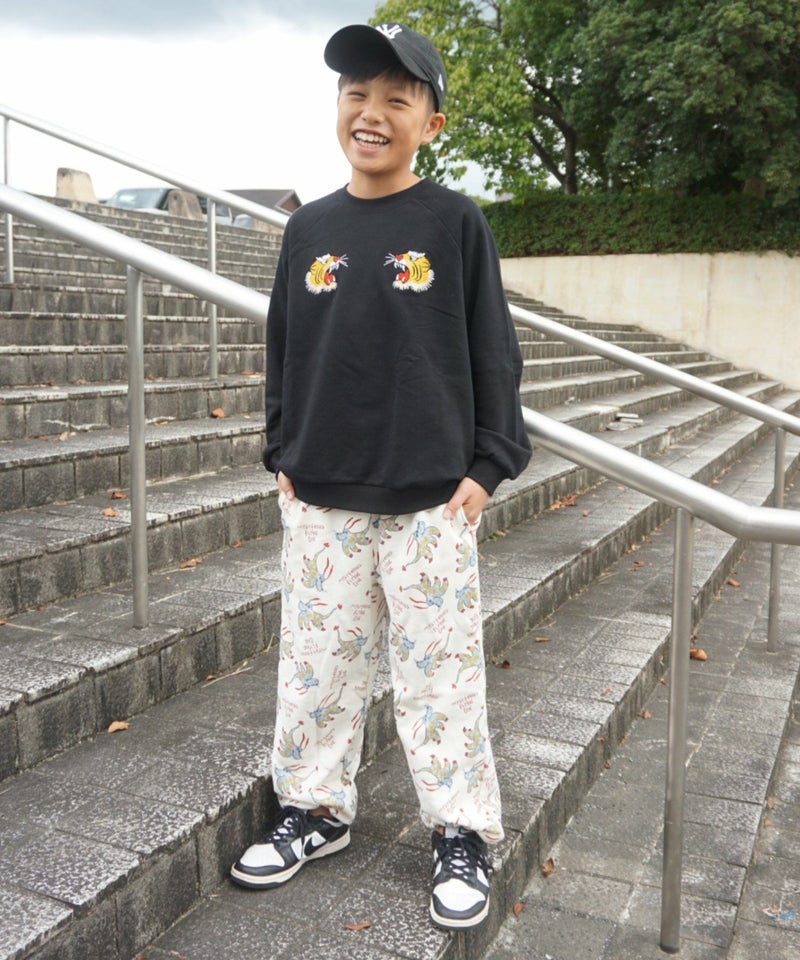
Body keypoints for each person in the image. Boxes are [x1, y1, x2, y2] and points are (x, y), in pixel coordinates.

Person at [230, 21, 531, 930]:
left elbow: (493, 349)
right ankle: (313, 810)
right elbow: (283, 346)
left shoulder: (453, 222)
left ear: (430, 124)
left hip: (431, 498)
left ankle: (460, 831)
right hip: (322, 493)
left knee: (441, 676)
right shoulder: (308, 228)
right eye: (357, 94)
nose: (372, 113)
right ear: (338, 108)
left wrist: (489, 463)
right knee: (316, 667)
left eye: (397, 99)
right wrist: (280, 447)